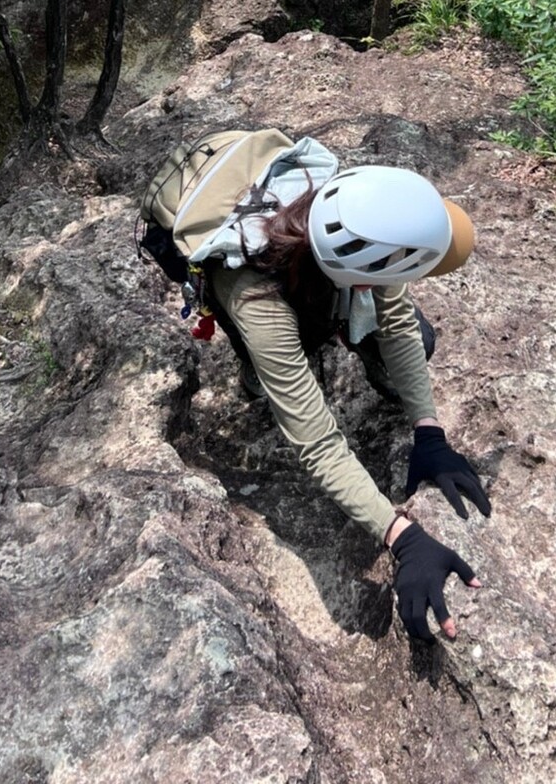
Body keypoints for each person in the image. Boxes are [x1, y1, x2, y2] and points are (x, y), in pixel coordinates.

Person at [201, 163, 491, 642]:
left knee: (420, 338)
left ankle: (317, 330)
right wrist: (401, 536)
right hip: (259, 289)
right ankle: (260, 360)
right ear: (357, 276)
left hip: (327, 275)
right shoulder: (257, 296)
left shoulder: (367, 222)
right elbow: (316, 443)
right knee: (279, 371)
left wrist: (429, 431)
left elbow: (397, 324)